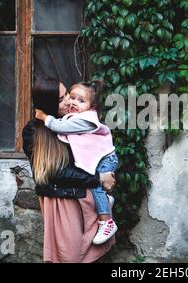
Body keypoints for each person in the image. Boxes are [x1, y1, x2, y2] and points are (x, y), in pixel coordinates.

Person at [22, 76, 116, 263]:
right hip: (61, 201)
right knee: (69, 256)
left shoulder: (72, 123)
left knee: (90, 256)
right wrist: (99, 178)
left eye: (67, 95)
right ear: (48, 103)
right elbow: (54, 172)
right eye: (61, 98)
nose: (68, 101)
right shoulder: (35, 131)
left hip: (84, 198)